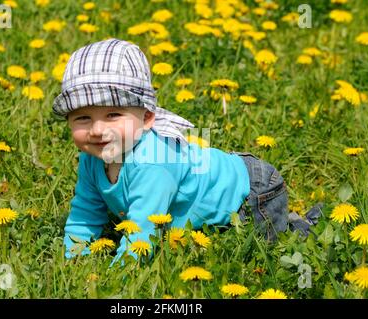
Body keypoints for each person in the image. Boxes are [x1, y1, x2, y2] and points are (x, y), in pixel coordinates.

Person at [53, 38, 321, 261]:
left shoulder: (153, 162)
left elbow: (142, 235)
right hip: (229, 186)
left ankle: (308, 224)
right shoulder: (92, 157)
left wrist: (118, 280)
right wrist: (72, 259)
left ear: (147, 118)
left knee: (270, 251)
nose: (97, 130)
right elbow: (85, 211)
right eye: (82, 118)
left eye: (113, 115)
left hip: (253, 192)